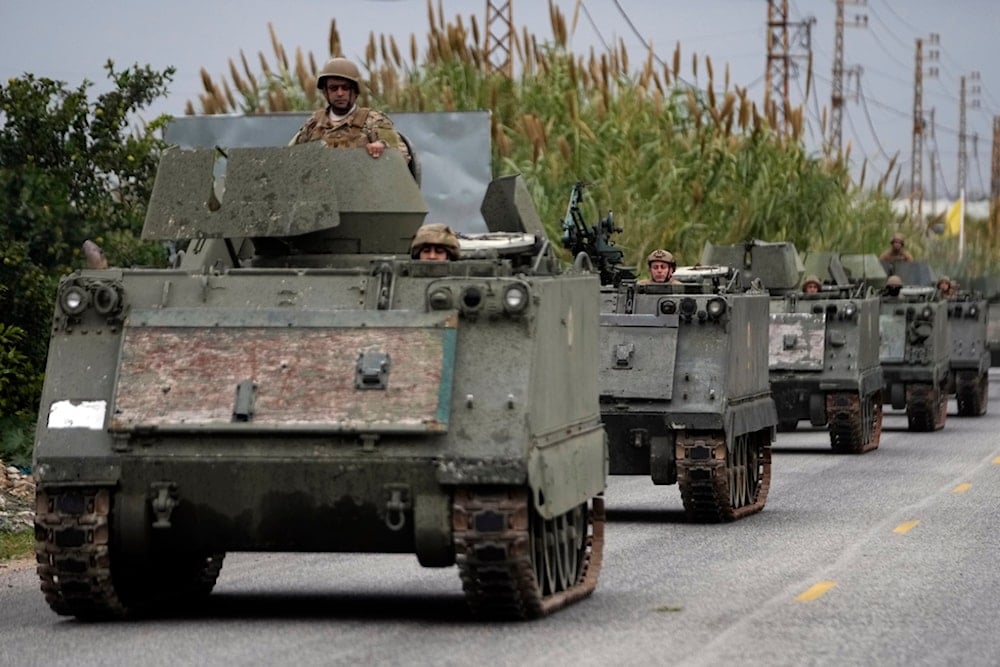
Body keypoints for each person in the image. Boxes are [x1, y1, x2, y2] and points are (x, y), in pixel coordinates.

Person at [290, 57, 410, 164]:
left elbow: (401, 157)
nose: (340, 93)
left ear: (355, 91)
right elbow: (291, 157)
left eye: (346, 88)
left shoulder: (373, 121)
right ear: (325, 91)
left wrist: (383, 148)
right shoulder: (314, 124)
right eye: (333, 88)